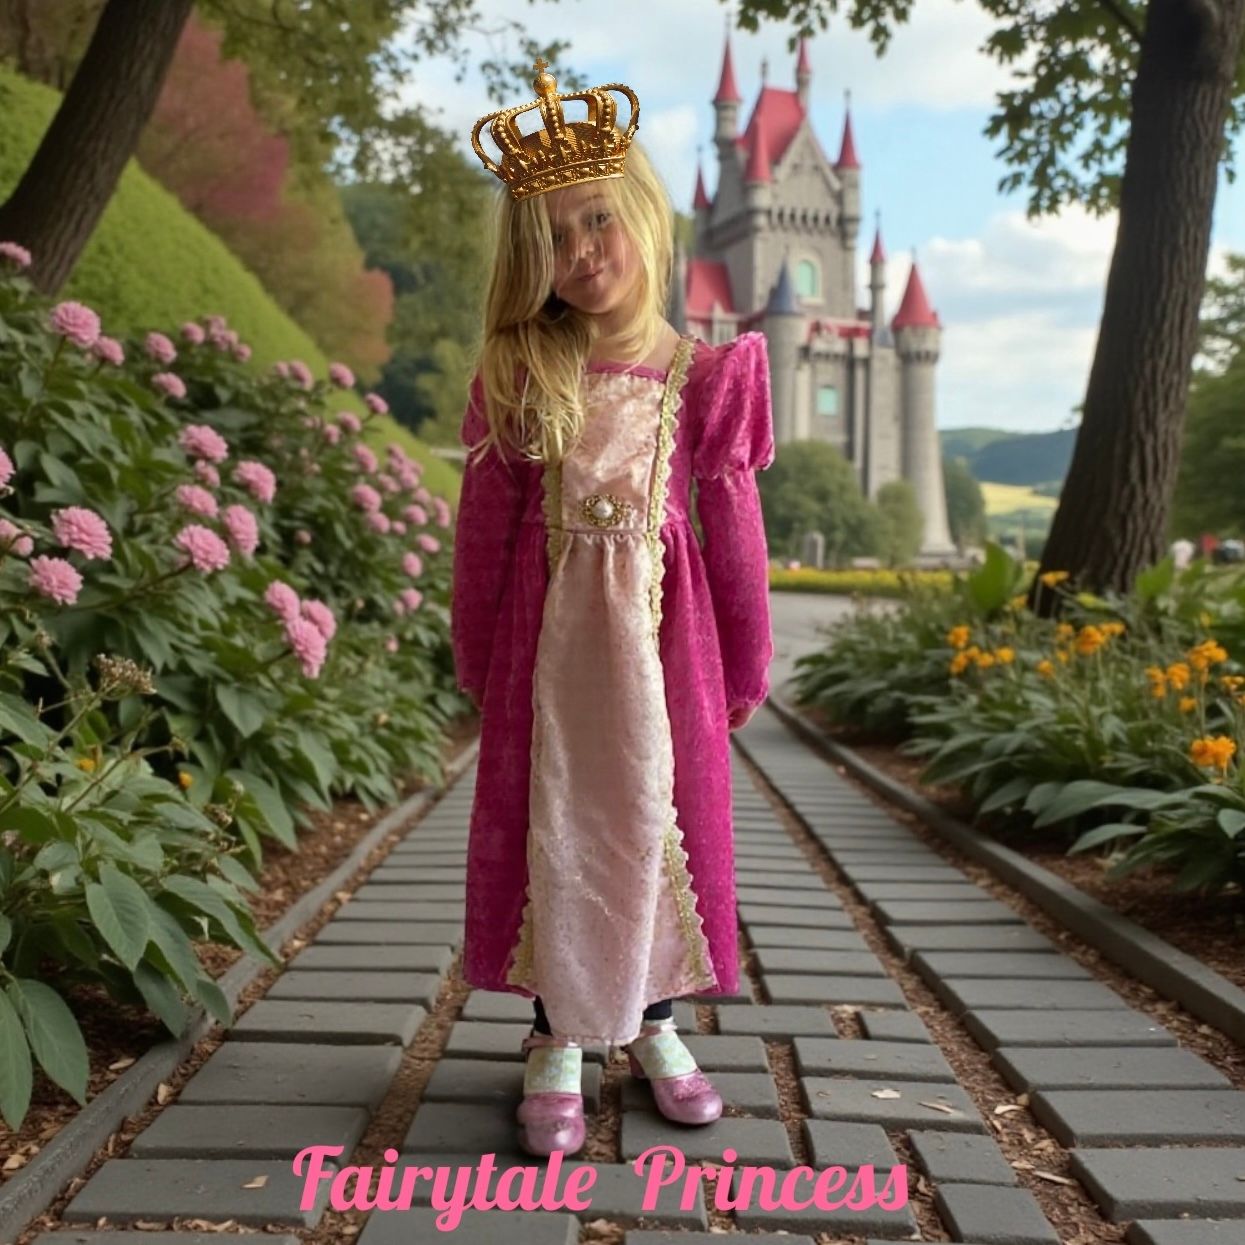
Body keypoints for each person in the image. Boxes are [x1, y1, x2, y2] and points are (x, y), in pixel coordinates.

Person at [451, 60, 774, 1158]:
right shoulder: (520, 371)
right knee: (563, 830)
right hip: (548, 660)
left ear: (641, 212)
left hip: (661, 654)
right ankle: (554, 1035)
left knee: (653, 825)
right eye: (553, 238)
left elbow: (731, 529)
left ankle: (653, 1024)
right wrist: (474, 649)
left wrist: (744, 659)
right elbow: (486, 528)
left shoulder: (703, 376)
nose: (581, 252)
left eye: (598, 220)